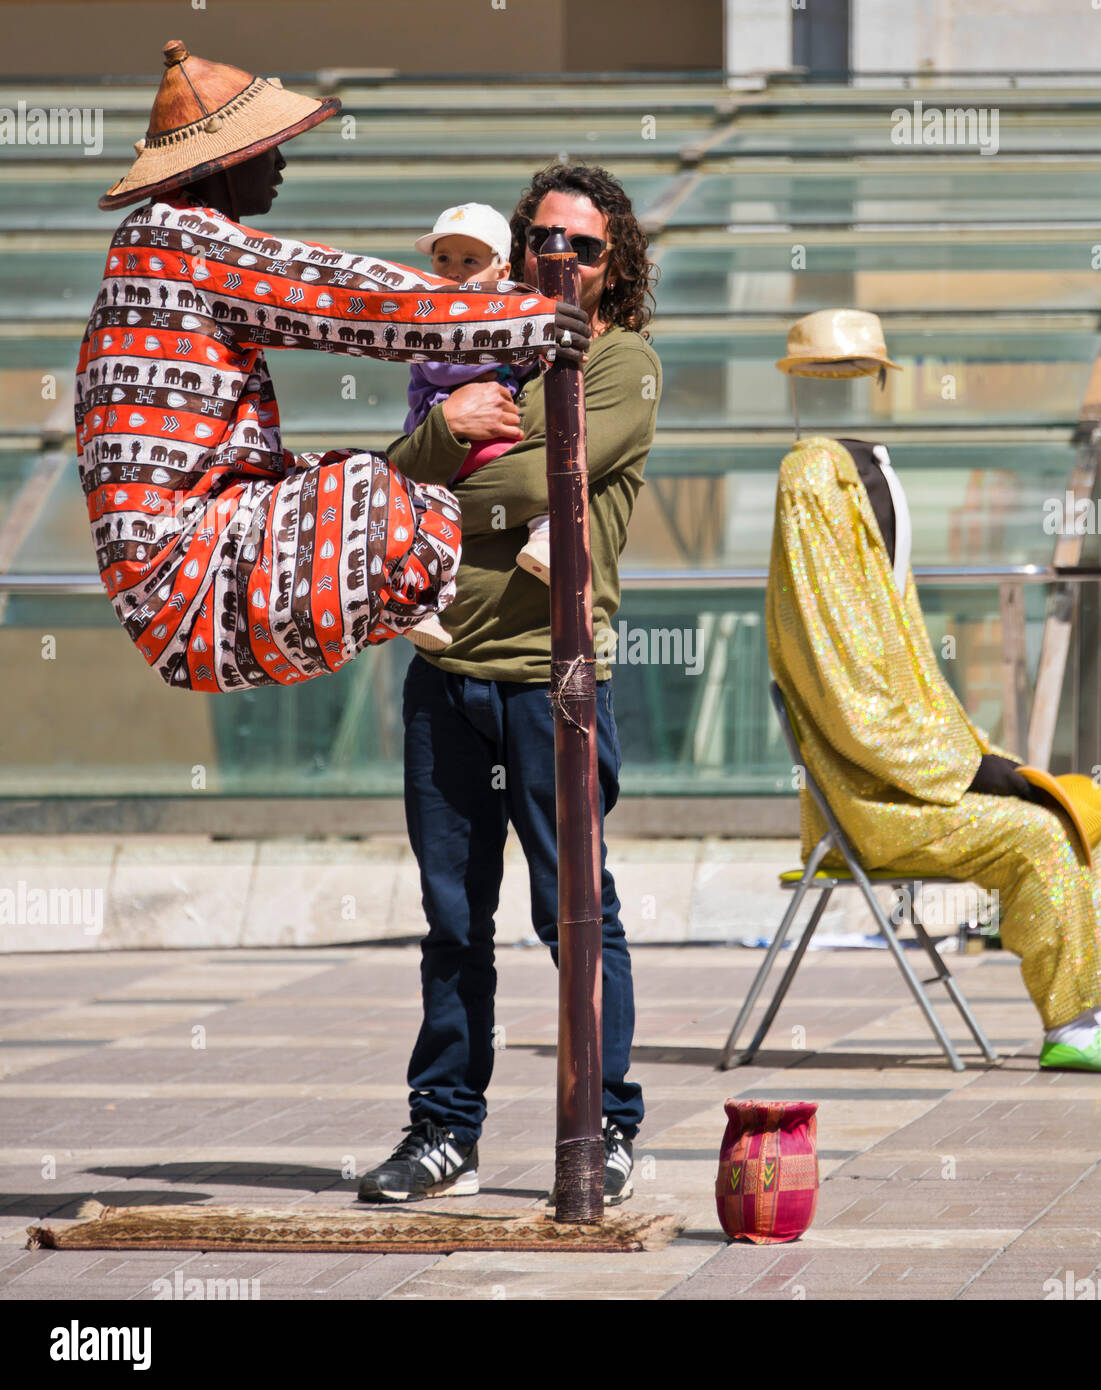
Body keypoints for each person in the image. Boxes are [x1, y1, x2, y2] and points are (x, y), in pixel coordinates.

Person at [78, 41, 586, 693]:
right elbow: (346, 300)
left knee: (379, 485)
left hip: (173, 580)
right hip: (188, 575)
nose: (281, 164)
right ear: (227, 165)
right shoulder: (183, 245)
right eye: (269, 149)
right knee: (392, 498)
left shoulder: (147, 252)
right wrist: (519, 317)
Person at [768, 309, 1101, 1074]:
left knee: (1066, 810)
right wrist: (969, 769)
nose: (848, 386)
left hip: (916, 771)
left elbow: (897, 667)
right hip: (875, 796)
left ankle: (1099, 1005)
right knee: (1035, 832)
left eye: (856, 373)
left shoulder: (862, 469)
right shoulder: (811, 477)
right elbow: (844, 682)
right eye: (841, 373)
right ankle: (1071, 1029)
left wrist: (982, 760)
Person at [358, 163, 660, 1205]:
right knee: (452, 919)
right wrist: (449, 433)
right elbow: (396, 474)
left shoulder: (622, 363)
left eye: (578, 243)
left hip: (554, 683)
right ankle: (445, 1128)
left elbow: (543, 478)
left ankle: (606, 1126)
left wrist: (455, 465)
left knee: (575, 912)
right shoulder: (472, 346)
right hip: (446, 676)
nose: (556, 257)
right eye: (542, 239)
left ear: (611, 256)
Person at [401, 202, 551, 654]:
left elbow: (526, 373)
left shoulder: (505, 313)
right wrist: (508, 351)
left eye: (471, 261)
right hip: (444, 434)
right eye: (444, 259)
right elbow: (442, 371)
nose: (455, 272)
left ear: (501, 270)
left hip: (489, 434)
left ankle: (543, 537)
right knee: (426, 515)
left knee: (532, 470)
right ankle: (420, 604)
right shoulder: (428, 316)